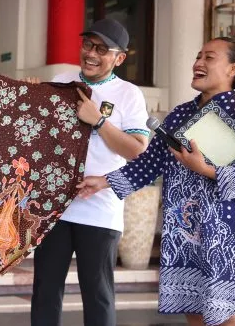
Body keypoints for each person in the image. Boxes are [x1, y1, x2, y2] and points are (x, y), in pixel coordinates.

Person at [78, 37, 235, 326]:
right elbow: (150, 163)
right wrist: (104, 182)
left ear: (234, 68)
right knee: (192, 305)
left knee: (225, 310)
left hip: (230, 229)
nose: (198, 62)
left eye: (209, 57)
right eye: (198, 56)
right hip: (186, 228)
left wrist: (206, 169)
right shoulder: (181, 113)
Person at [29, 18, 150, 326]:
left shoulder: (128, 94)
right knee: (45, 291)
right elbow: (42, 136)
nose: (91, 53)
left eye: (102, 49)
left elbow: (137, 150)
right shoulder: (62, 79)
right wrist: (30, 100)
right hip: (56, 204)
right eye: (88, 44)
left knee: (97, 294)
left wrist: (98, 121)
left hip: (100, 208)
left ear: (119, 58)